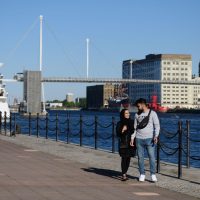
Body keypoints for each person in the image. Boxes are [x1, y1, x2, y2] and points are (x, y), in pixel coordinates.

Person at [130, 98, 160, 182]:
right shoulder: (136, 115)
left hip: (149, 139)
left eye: (138, 105)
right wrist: (132, 138)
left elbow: (157, 126)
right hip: (139, 139)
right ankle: (142, 174)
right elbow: (135, 128)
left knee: (152, 157)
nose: (137, 107)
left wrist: (156, 136)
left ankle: (153, 174)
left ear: (143, 104)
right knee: (140, 157)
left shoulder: (153, 113)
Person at [116, 109, 136, 181]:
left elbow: (134, 131)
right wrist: (122, 130)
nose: (128, 114)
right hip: (123, 143)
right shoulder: (120, 123)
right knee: (124, 158)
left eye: (128, 113)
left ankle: (125, 172)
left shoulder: (132, 122)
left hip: (131, 143)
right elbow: (118, 133)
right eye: (126, 113)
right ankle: (123, 174)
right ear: (123, 114)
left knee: (128, 158)